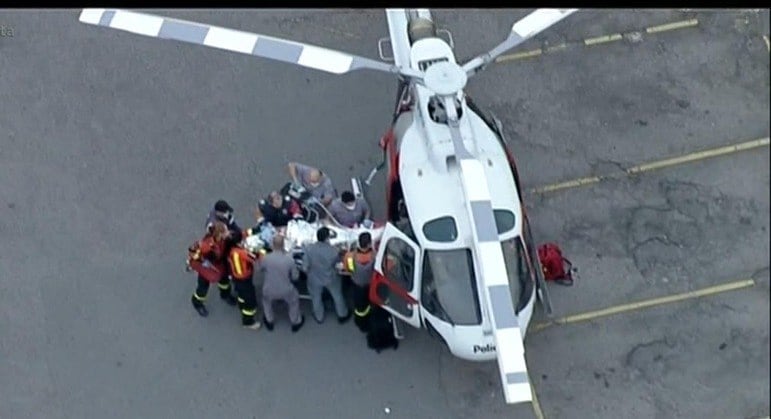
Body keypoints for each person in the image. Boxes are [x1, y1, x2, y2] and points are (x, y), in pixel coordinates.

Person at [301, 227, 350, 324]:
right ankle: (342, 314)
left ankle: (319, 317)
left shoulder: (309, 248)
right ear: (327, 238)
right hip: (330, 277)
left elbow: (305, 267)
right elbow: (339, 263)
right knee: (337, 296)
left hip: (314, 278)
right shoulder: (334, 251)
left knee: (316, 298)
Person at [189, 221, 237, 317]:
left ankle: (225, 294)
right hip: (207, 268)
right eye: (225, 231)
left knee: (225, 281)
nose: (228, 233)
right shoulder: (207, 247)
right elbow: (209, 258)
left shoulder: (222, 239)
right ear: (219, 234)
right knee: (203, 288)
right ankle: (197, 303)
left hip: (220, 264)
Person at [260, 235, 305, 332]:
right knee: (294, 302)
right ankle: (295, 322)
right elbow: (295, 277)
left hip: (269, 289)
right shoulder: (289, 260)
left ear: (272, 245)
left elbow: (261, 269)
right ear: (283, 245)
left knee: (266, 302)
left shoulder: (266, 258)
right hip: (286, 290)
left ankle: (269, 321)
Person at [226, 232, 262, 330]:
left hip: (235, 277)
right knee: (249, 300)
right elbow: (255, 257)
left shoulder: (230, 249)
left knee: (242, 295)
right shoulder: (242, 253)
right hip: (244, 278)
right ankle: (248, 321)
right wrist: (262, 250)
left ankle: (241, 304)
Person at [342, 232, 375, 333]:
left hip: (357, 284)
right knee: (370, 302)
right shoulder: (375, 256)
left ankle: (360, 322)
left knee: (360, 306)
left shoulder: (350, 256)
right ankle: (370, 317)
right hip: (370, 284)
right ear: (369, 244)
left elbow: (348, 269)